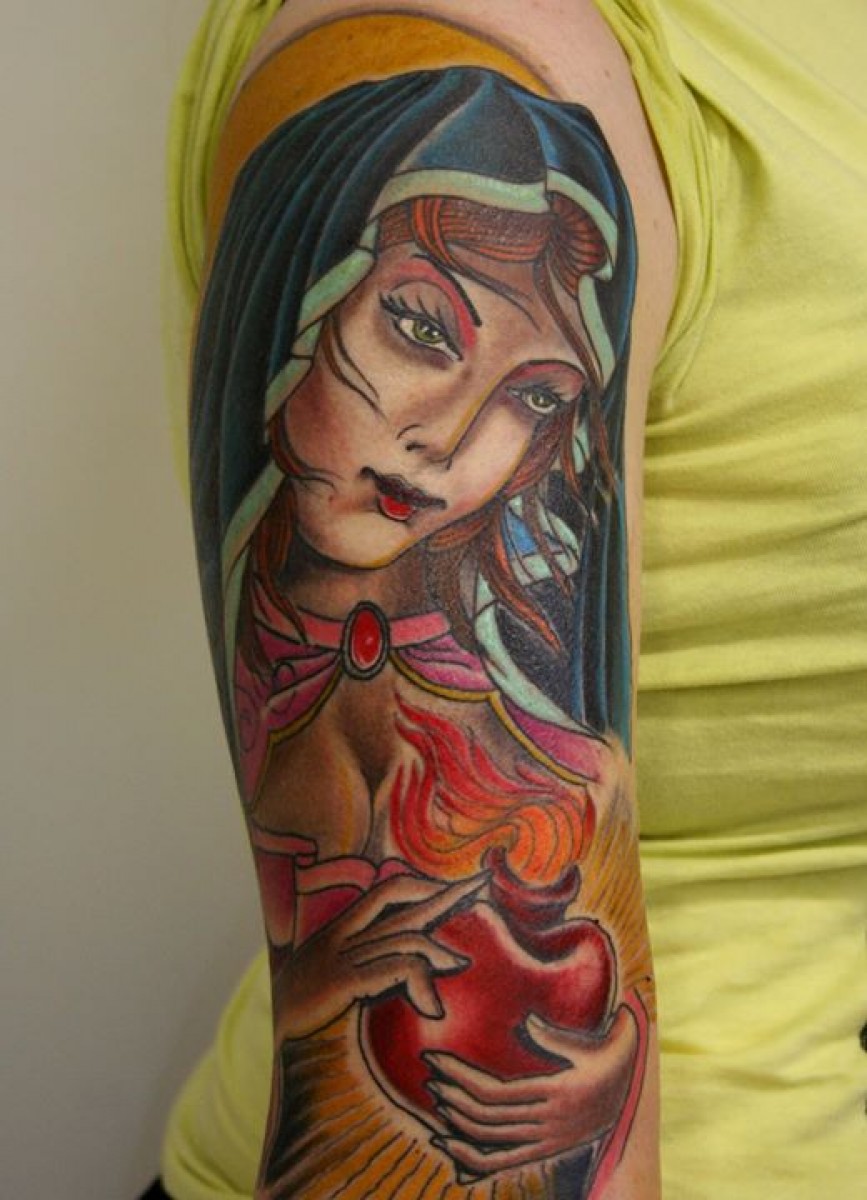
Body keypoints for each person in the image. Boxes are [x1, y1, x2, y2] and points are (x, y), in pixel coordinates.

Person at [153, 1, 867, 1198]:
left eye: (534, 397)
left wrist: (609, 1068)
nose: (447, 442)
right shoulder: (489, 52)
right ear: (307, 296)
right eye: (420, 327)